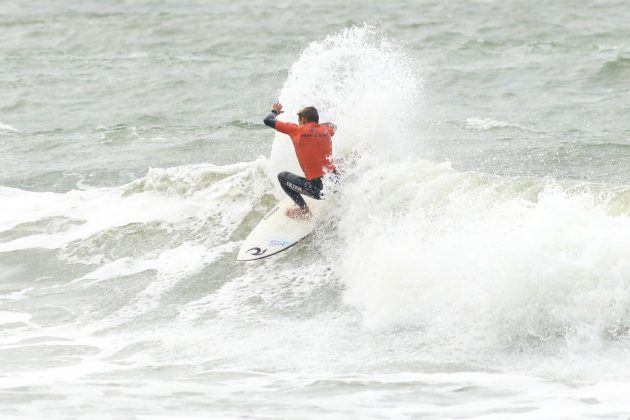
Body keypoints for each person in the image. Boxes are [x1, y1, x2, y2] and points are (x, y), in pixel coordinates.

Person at [263, 102, 336, 219]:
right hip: (335, 183)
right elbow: (333, 125)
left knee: (282, 177)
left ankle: (304, 210)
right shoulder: (327, 130)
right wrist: (316, 128)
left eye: (299, 120)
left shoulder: (296, 130)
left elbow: (267, 120)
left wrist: (274, 111)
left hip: (319, 189)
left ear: (302, 120)